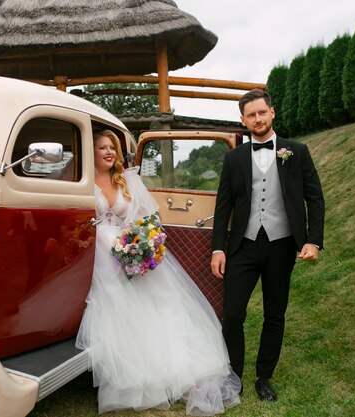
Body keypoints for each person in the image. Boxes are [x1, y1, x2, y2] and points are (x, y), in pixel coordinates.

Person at [76, 129, 241, 415]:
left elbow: (147, 218)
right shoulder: (81, 182)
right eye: (102, 147)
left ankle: (170, 371)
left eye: (112, 147)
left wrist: (142, 242)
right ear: (91, 152)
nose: (108, 152)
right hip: (96, 255)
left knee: (154, 306)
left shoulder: (127, 180)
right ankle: (126, 372)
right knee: (115, 307)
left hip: (127, 249)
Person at [210, 89, 325, 402]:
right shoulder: (233, 158)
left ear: (272, 113)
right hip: (243, 247)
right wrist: (217, 248)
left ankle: (264, 377)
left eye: (262, 113)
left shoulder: (296, 151)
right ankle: (234, 377)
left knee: (275, 313)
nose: (257, 119)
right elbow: (223, 206)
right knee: (232, 314)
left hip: (282, 245)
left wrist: (314, 239)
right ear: (243, 120)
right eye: (251, 115)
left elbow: (314, 197)